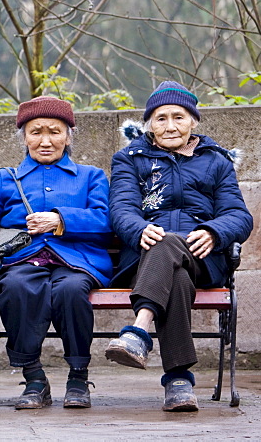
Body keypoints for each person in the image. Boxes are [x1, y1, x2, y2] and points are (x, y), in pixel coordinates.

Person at [105, 81, 253, 411]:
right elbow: (121, 208)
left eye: (178, 117)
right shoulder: (130, 159)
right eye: (160, 118)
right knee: (175, 271)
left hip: (203, 258)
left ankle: (138, 332)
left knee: (174, 251)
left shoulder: (216, 161)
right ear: (149, 124)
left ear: (193, 121)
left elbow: (239, 216)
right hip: (146, 258)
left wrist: (215, 231)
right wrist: (137, 229)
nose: (170, 125)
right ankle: (179, 381)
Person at [0, 96, 112, 409]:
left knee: (71, 290)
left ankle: (78, 376)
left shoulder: (90, 176)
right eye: (36, 132)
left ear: (68, 137)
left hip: (76, 261)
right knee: (14, 287)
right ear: (24, 137)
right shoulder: (4, 179)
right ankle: (34, 378)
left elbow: (107, 222)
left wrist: (61, 219)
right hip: (21, 260)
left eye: (55, 132)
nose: (45, 140)